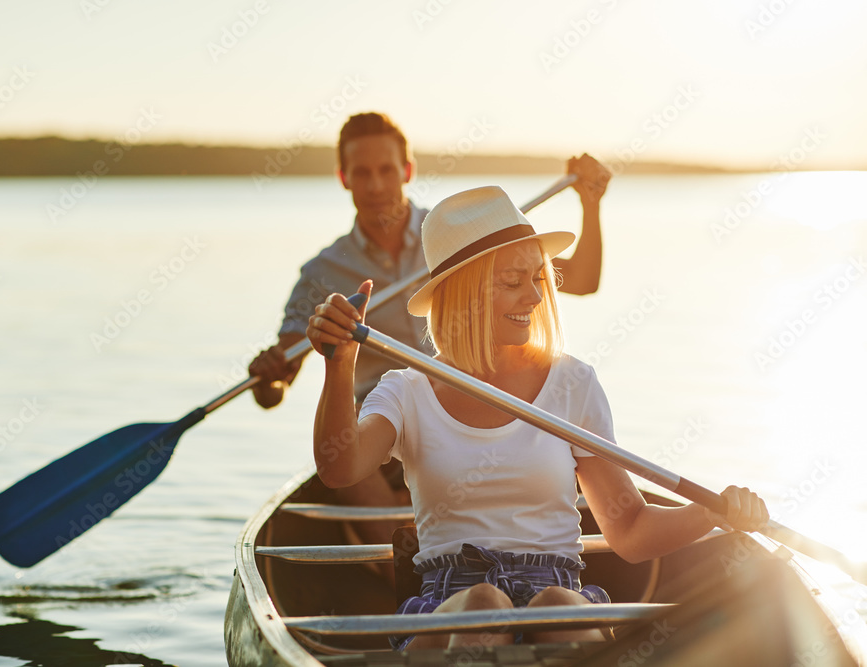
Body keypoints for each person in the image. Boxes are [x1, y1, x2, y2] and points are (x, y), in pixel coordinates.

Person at [306, 185, 769, 650]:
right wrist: (339, 363)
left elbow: (629, 531)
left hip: (558, 590)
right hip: (450, 601)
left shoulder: (573, 383)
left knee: (560, 606)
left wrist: (711, 511)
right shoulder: (405, 389)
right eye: (512, 282)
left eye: (538, 279)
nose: (534, 297)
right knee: (483, 604)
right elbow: (339, 467)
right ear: (463, 292)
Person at [246, 113, 611, 548]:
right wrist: (268, 371)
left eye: (386, 170)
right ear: (344, 178)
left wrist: (590, 203)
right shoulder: (322, 273)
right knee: (360, 493)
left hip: (474, 413)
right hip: (380, 431)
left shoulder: (455, 240)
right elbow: (274, 387)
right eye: (362, 173)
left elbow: (583, 280)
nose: (377, 185)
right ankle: (411, 588)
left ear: (407, 171)